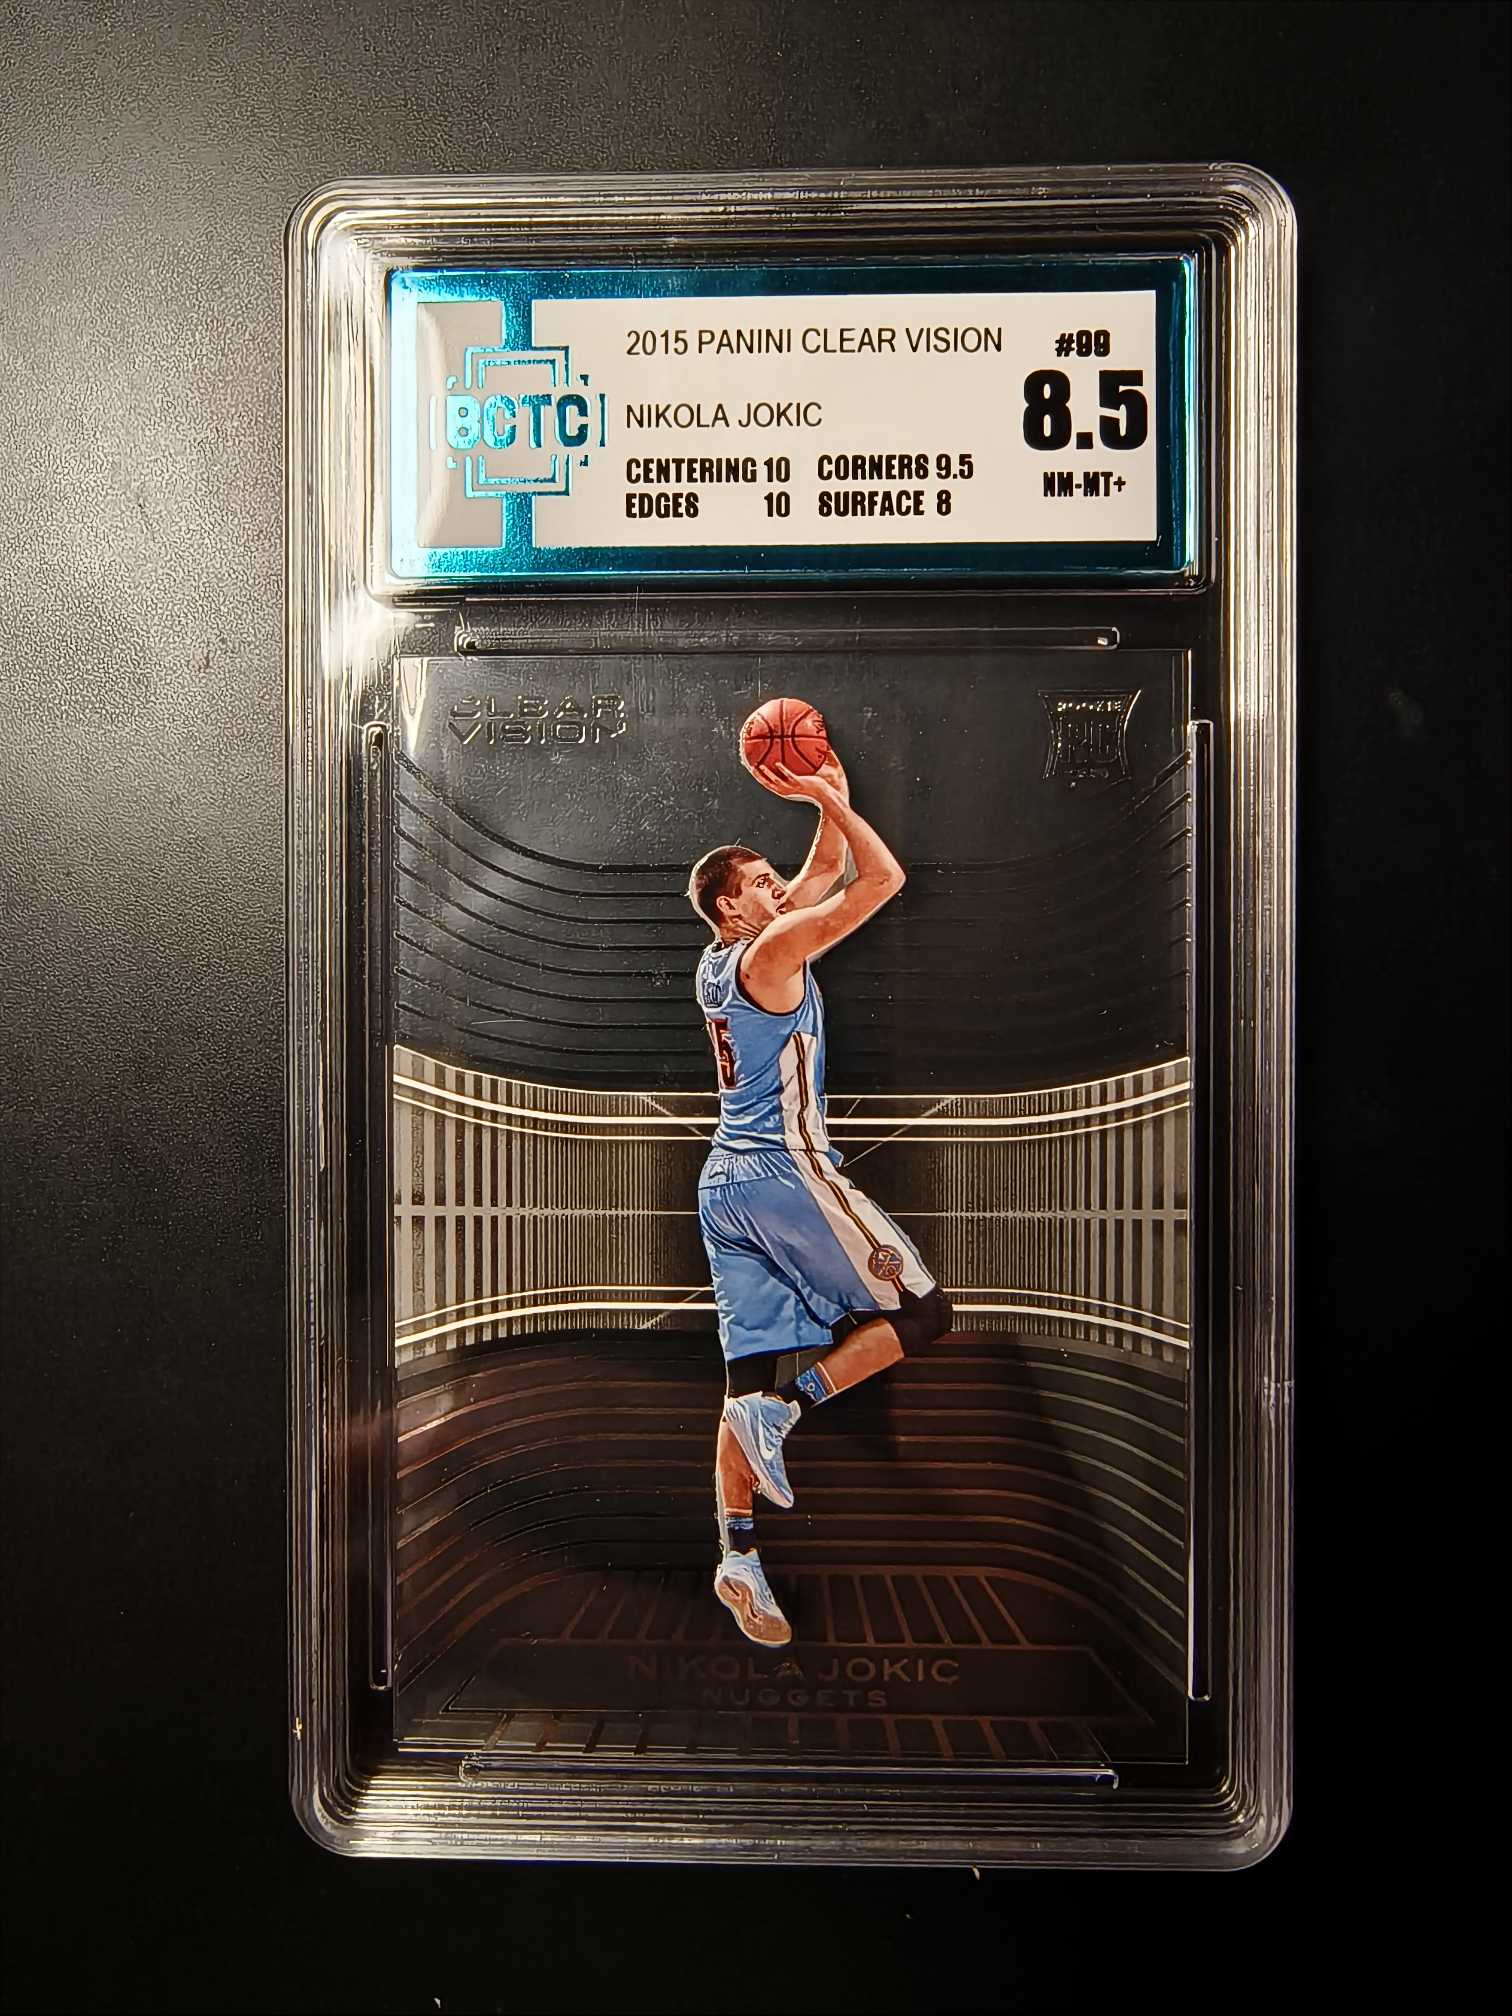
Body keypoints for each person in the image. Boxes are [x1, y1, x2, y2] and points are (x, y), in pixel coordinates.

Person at [687, 738, 953, 1645]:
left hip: (724, 1185)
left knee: (742, 1381)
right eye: (762, 883)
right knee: (923, 1312)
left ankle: (737, 1553)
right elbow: (881, 879)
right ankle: (792, 1407)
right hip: (784, 1172)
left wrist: (828, 795)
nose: (780, 887)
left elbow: (826, 872)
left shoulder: (719, 960)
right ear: (733, 906)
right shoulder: (773, 951)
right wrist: (828, 802)